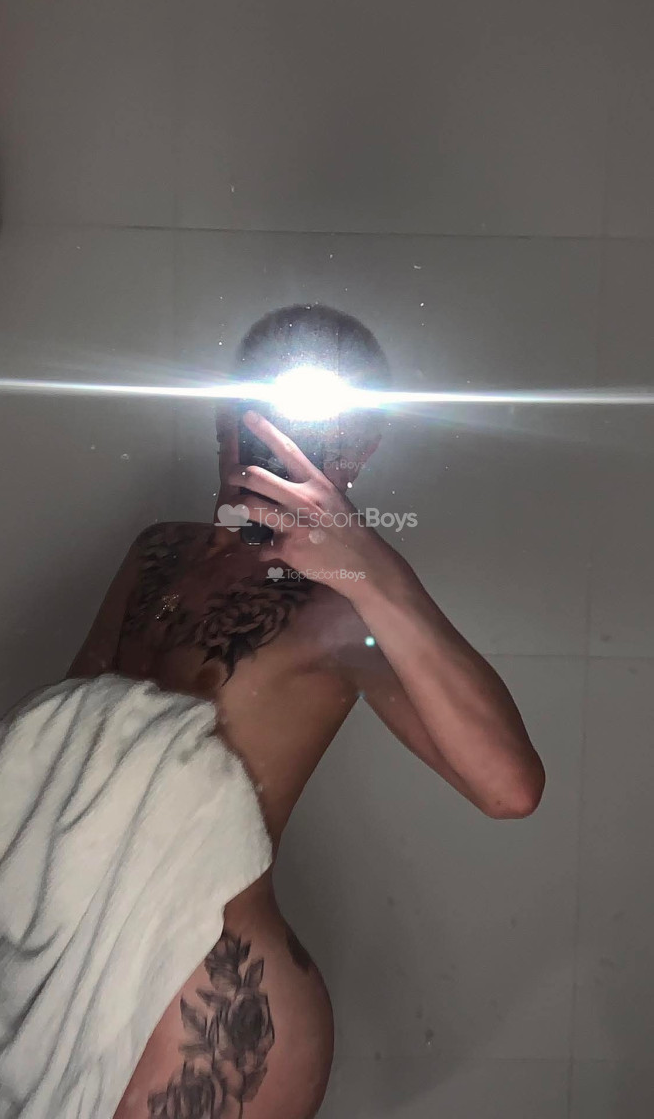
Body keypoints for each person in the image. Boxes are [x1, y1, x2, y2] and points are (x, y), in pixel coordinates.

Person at [67, 304, 545, 1119]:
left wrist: (372, 570)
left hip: (215, 1010)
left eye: (315, 421)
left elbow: (509, 788)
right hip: (81, 969)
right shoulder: (155, 552)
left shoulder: (341, 608)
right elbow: (60, 747)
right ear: (223, 410)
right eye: (254, 400)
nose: (269, 430)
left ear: (359, 449)